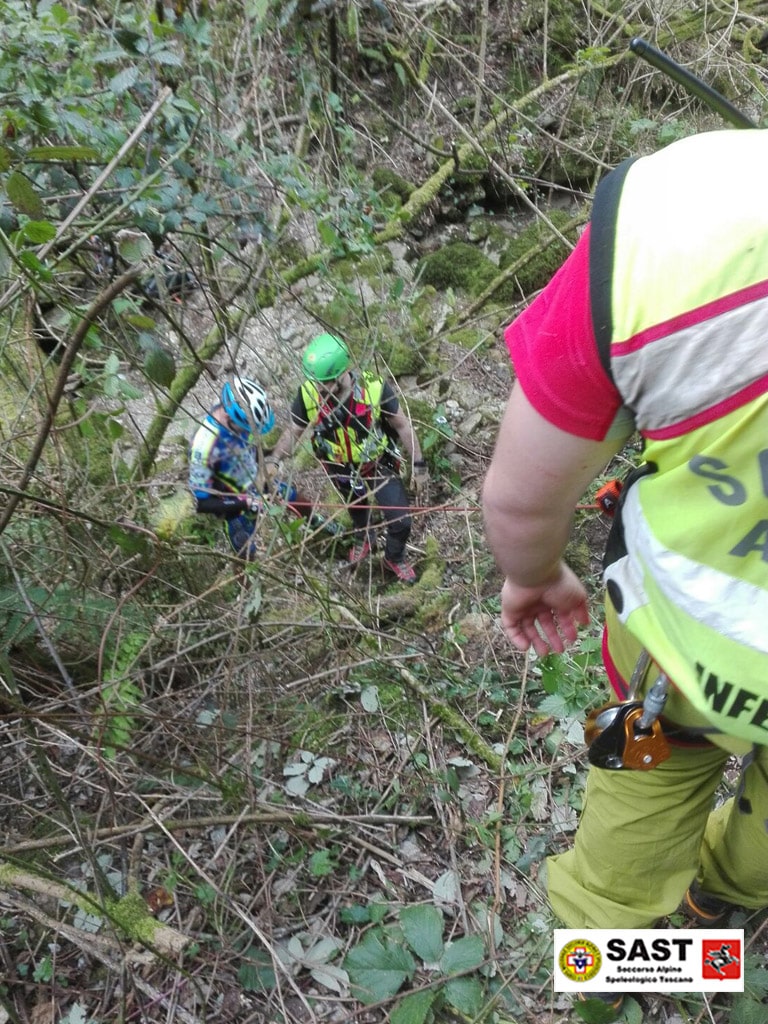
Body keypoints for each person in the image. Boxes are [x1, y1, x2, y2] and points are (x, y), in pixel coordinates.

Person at [482, 129, 768, 956]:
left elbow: (520, 496)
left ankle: (606, 954)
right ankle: (723, 905)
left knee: (631, 809)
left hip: (665, 657)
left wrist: (532, 574)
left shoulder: (671, 222)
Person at [268, 332, 428, 583]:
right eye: (320, 382)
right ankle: (363, 537)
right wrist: (274, 458)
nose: (324, 388)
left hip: (376, 461)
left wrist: (419, 465)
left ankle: (393, 558)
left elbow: (402, 426)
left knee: (401, 520)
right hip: (338, 465)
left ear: (346, 370)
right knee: (356, 507)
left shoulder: (373, 387)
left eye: (330, 381)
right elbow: (294, 431)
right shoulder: (309, 393)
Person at [189, 376, 320, 559]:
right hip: (234, 505)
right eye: (247, 429)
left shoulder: (235, 410)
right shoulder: (204, 448)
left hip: (258, 481)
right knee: (246, 555)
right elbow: (203, 503)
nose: (249, 433)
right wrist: (246, 503)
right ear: (228, 418)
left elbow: (245, 448)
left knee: (301, 503)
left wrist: (269, 456)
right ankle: (247, 583)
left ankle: (317, 524)